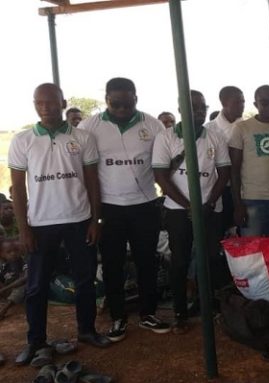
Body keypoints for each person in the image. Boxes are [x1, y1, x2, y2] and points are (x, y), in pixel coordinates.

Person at [8, 83, 110, 365]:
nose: (46, 108)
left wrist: (96, 219)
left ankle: (87, 331)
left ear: (63, 103)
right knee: (36, 285)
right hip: (41, 224)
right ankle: (36, 341)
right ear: (34, 105)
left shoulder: (83, 137)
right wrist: (24, 229)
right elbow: (19, 190)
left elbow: (93, 181)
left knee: (85, 280)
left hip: (79, 219)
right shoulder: (23, 140)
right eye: (39, 103)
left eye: (51, 102)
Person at [79, 77, 169, 342]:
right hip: (109, 209)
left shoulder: (152, 125)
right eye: (115, 104)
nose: (121, 109)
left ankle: (148, 313)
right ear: (106, 99)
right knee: (112, 264)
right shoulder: (89, 127)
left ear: (136, 99)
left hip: (145, 206)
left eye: (127, 104)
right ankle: (118, 317)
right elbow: (85, 170)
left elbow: (163, 163)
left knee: (147, 261)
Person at [152, 90, 231, 335]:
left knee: (212, 259)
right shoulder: (165, 137)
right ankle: (180, 313)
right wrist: (189, 206)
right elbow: (161, 176)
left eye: (201, 107)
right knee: (180, 261)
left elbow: (224, 173)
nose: (198, 112)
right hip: (178, 210)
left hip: (210, 209)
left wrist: (209, 204)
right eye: (192, 107)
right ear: (180, 109)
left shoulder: (215, 137)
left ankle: (210, 305)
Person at [229, 85, 269, 237]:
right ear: (256, 104)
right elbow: (234, 170)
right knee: (253, 249)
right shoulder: (241, 128)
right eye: (265, 102)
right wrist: (238, 205)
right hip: (252, 200)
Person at [207, 86, 245, 236]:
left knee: (243, 233)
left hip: (244, 188)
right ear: (224, 103)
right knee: (219, 233)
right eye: (237, 102)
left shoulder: (248, 127)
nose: (241, 106)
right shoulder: (209, 130)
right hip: (218, 189)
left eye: (243, 102)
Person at [0, 239, 25, 320]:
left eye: (16, 250)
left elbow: (24, 279)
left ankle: (4, 309)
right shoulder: (3, 266)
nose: (13, 253)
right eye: (9, 252)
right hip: (7, 291)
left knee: (24, 286)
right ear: (2, 254)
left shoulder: (22, 262)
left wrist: (4, 289)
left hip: (19, 291)